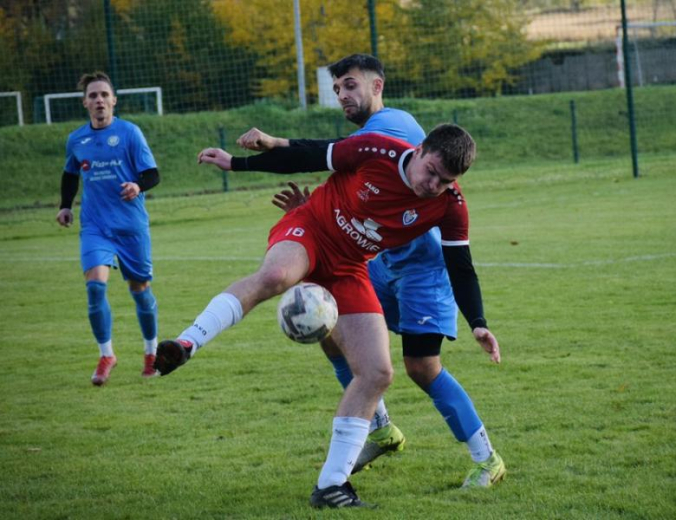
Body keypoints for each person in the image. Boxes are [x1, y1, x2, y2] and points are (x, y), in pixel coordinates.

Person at [156, 123, 485, 508]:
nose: (433, 185)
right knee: (276, 276)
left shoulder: (449, 205)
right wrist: (237, 164)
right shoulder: (376, 151)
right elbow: (308, 153)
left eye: (445, 181)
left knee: (378, 372)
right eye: (431, 172)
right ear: (421, 149)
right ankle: (187, 342)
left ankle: (331, 487)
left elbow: (460, 266)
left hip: (348, 269)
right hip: (309, 228)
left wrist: (479, 323)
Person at [236, 54, 505, 489]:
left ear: (376, 87)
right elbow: (352, 191)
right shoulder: (365, 135)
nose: (343, 95)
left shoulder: (392, 128)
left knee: (421, 366)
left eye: (351, 86)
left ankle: (486, 457)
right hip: (379, 262)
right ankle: (379, 427)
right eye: (338, 88)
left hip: (422, 269)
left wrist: (273, 141)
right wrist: (310, 210)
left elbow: (327, 153)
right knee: (330, 329)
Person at [57, 71, 161, 386]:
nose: (99, 100)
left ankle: (151, 353)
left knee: (140, 292)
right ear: (84, 103)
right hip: (95, 226)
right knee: (95, 286)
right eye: (93, 96)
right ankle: (106, 355)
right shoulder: (77, 140)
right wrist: (65, 205)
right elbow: (70, 174)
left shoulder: (130, 133)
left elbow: (153, 174)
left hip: (130, 226)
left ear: (114, 100)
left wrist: (136, 186)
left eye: (104, 94)